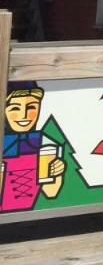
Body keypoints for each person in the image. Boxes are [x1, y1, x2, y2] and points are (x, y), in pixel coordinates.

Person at [2, 82, 66, 212]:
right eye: (15, 108)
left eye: (31, 107)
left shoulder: (45, 143)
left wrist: (57, 173)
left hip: (28, 210)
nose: (24, 115)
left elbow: (51, 192)